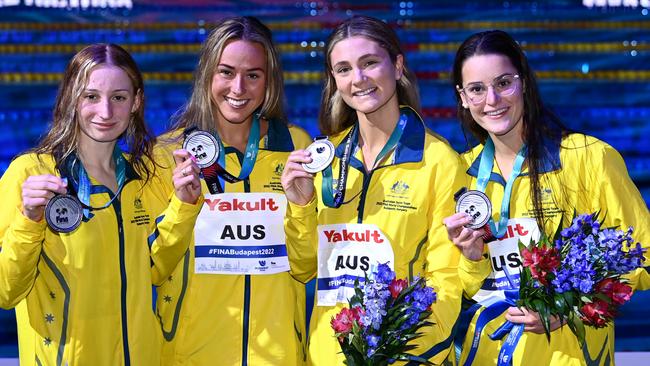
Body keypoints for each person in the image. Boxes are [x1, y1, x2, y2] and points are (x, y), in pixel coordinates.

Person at [444, 30, 650, 365]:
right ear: (463, 97)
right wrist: (470, 257)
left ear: (523, 82)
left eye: (503, 83)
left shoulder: (589, 158)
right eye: (477, 89)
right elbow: (461, 287)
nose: (492, 100)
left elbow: (644, 255)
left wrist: (568, 307)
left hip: (566, 356)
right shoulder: (458, 173)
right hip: (483, 356)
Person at [0, 44, 202, 366]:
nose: (105, 112)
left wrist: (184, 205)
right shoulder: (31, 174)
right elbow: (6, 291)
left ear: (135, 102)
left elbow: (153, 271)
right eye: (91, 96)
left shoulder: (144, 177)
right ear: (71, 99)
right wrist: (29, 219)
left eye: (118, 98)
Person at [281, 15, 465, 365]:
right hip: (328, 356)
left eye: (369, 63)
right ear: (334, 80)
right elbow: (302, 268)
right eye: (344, 69)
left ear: (397, 66)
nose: (359, 79)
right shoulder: (325, 160)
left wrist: (399, 349)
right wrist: (301, 204)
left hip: (405, 356)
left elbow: (446, 278)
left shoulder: (438, 161)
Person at [154, 16, 312, 366]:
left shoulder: (296, 148)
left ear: (268, 81)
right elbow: (152, 266)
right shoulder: (168, 154)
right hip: (190, 354)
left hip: (278, 354)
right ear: (207, 74)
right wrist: (183, 206)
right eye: (226, 72)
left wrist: (302, 207)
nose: (238, 88)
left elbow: (307, 267)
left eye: (252, 75)